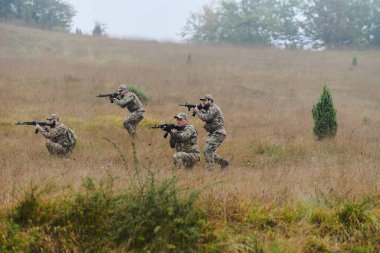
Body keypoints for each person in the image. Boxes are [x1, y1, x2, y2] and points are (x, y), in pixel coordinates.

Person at [193, 95, 229, 169]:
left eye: (205, 100)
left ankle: (210, 170)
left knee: (207, 151)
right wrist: (199, 110)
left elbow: (205, 118)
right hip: (215, 133)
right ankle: (223, 163)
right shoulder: (209, 108)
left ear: (210, 101)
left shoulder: (214, 108)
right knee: (208, 151)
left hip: (218, 133)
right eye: (203, 101)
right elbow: (206, 114)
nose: (203, 102)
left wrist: (197, 111)